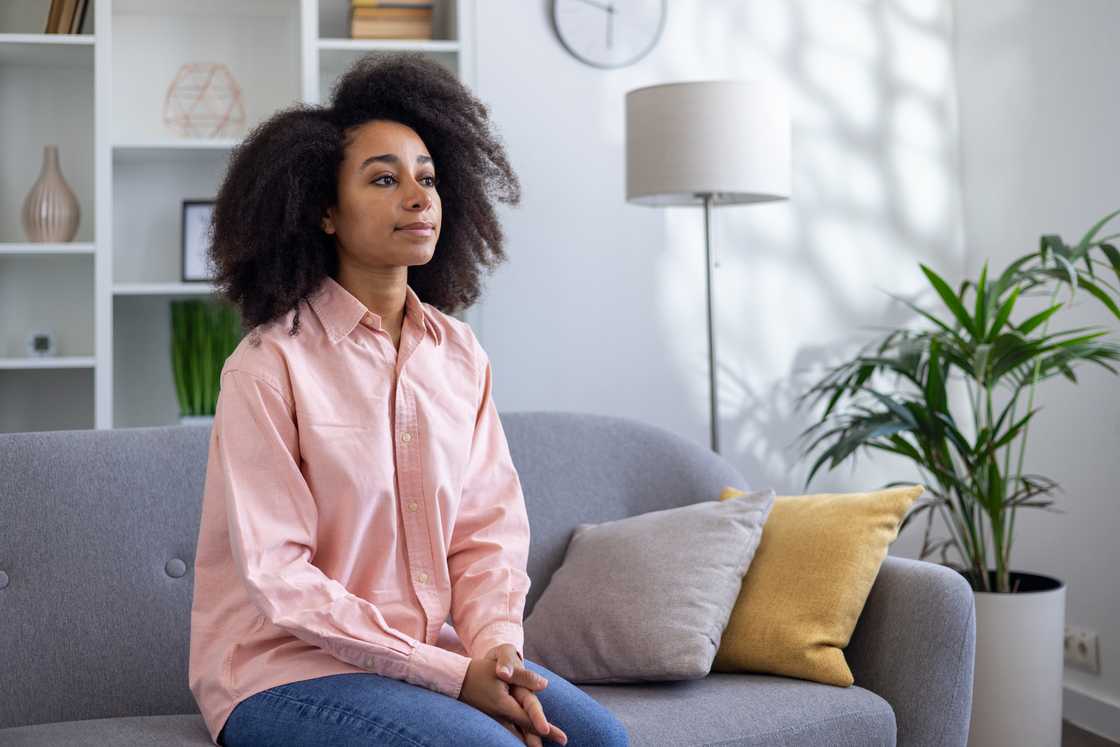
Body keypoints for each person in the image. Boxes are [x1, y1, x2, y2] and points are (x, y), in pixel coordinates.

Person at [187, 52, 630, 747]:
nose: (418, 197)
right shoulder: (269, 366)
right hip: (283, 671)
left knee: (603, 741)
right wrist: (449, 675)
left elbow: (485, 535)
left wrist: (494, 650)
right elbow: (281, 576)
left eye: (427, 177)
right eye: (385, 179)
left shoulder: (460, 355)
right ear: (326, 211)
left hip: (431, 658)